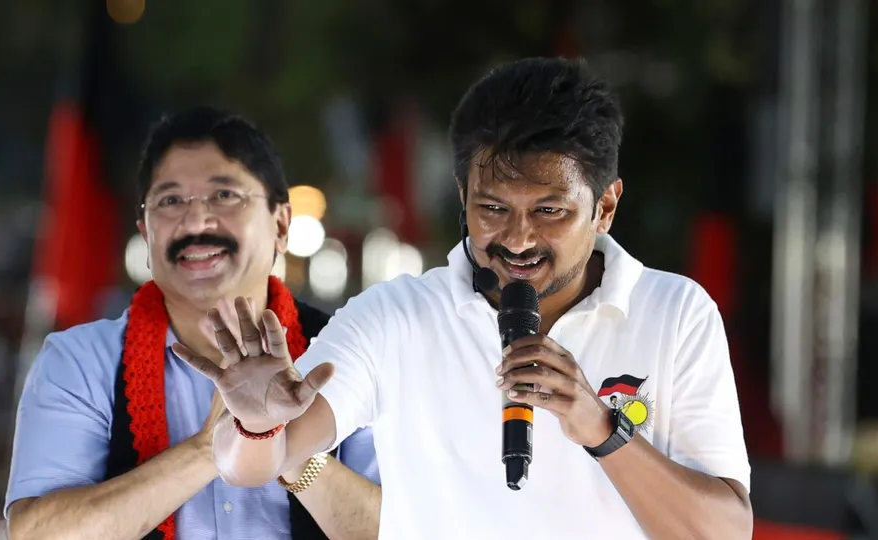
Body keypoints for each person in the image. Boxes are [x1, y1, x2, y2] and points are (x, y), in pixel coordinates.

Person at [175, 59, 753, 539]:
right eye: (493, 209)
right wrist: (256, 427)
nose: (518, 240)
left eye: (550, 211)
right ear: (463, 194)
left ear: (605, 206)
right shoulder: (396, 318)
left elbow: (726, 531)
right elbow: (255, 463)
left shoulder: (676, 313)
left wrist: (601, 427)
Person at [4, 107, 381, 540]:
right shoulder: (79, 362)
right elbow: (38, 535)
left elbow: (410, 527)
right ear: (146, 233)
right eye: (171, 201)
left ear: (281, 224)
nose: (197, 221)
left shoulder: (350, 351)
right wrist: (212, 448)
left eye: (224, 196)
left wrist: (282, 442)